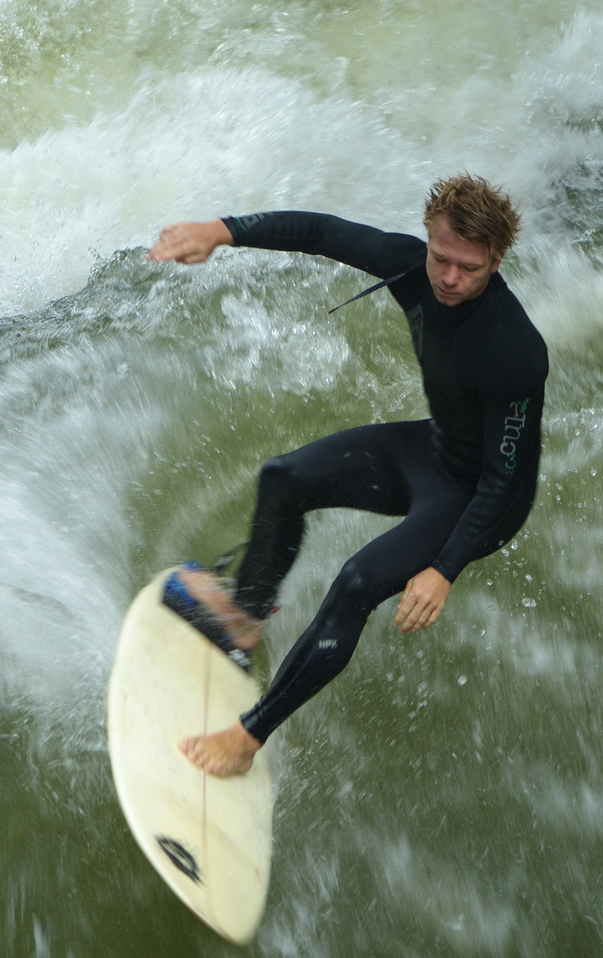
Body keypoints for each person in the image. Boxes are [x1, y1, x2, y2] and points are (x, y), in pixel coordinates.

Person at [145, 175, 548, 777]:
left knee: (357, 581)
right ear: (429, 240)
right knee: (284, 478)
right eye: (442, 258)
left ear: (496, 260)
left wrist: (444, 569)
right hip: (435, 451)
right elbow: (323, 232)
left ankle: (247, 739)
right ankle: (243, 618)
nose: (450, 279)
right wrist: (222, 232)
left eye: (470, 267)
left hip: (482, 499)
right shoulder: (413, 267)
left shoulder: (514, 350)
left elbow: (503, 481)